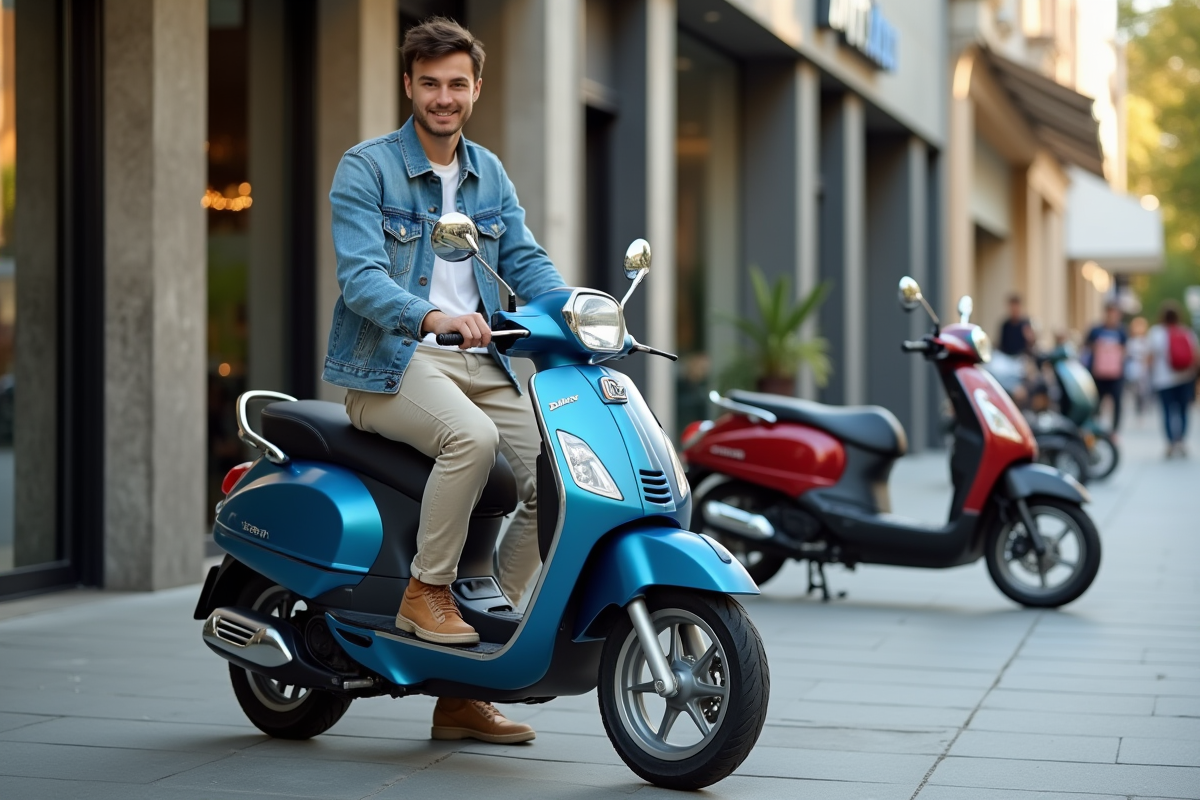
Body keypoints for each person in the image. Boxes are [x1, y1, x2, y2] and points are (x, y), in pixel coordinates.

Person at [322, 17, 566, 743]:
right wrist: (432, 317)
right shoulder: (367, 168)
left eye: (457, 83)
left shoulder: (489, 173)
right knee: (473, 440)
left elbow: (524, 259)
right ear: (408, 85)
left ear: (476, 88)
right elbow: (361, 278)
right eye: (429, 83)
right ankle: (426, 591)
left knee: (555, 474)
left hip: (481, 362)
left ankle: (479, 660)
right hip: (392, 362)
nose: (443, 97)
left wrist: (576, 312)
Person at [1145, 301, 1199, 458]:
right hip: (1185, 377)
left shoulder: (1156, 333)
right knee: (1183, 411)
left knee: (1167, 411)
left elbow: (1150, 358)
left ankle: (1170, 443)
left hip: (1163, 380)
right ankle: (1181, 440)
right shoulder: (1187, 332)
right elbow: (1195, 356)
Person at [1084, 302, 1128, 435]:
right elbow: (1086, 345)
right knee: (1096, 402)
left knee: (1117, 401)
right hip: (1098, 373)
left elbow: (1125, 350)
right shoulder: (1096, 330)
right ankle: (1094, 428)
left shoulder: (1121, 331)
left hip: (1116, 374)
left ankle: (1114, 430)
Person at [1125, 316, 1151, 419]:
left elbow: (1148, 356)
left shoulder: (1146, 341)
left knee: (1142, 390)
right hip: (1132, 367)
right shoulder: (1131, 341)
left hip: (1142, 368)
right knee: (1133, 389)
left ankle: (1141, 407)